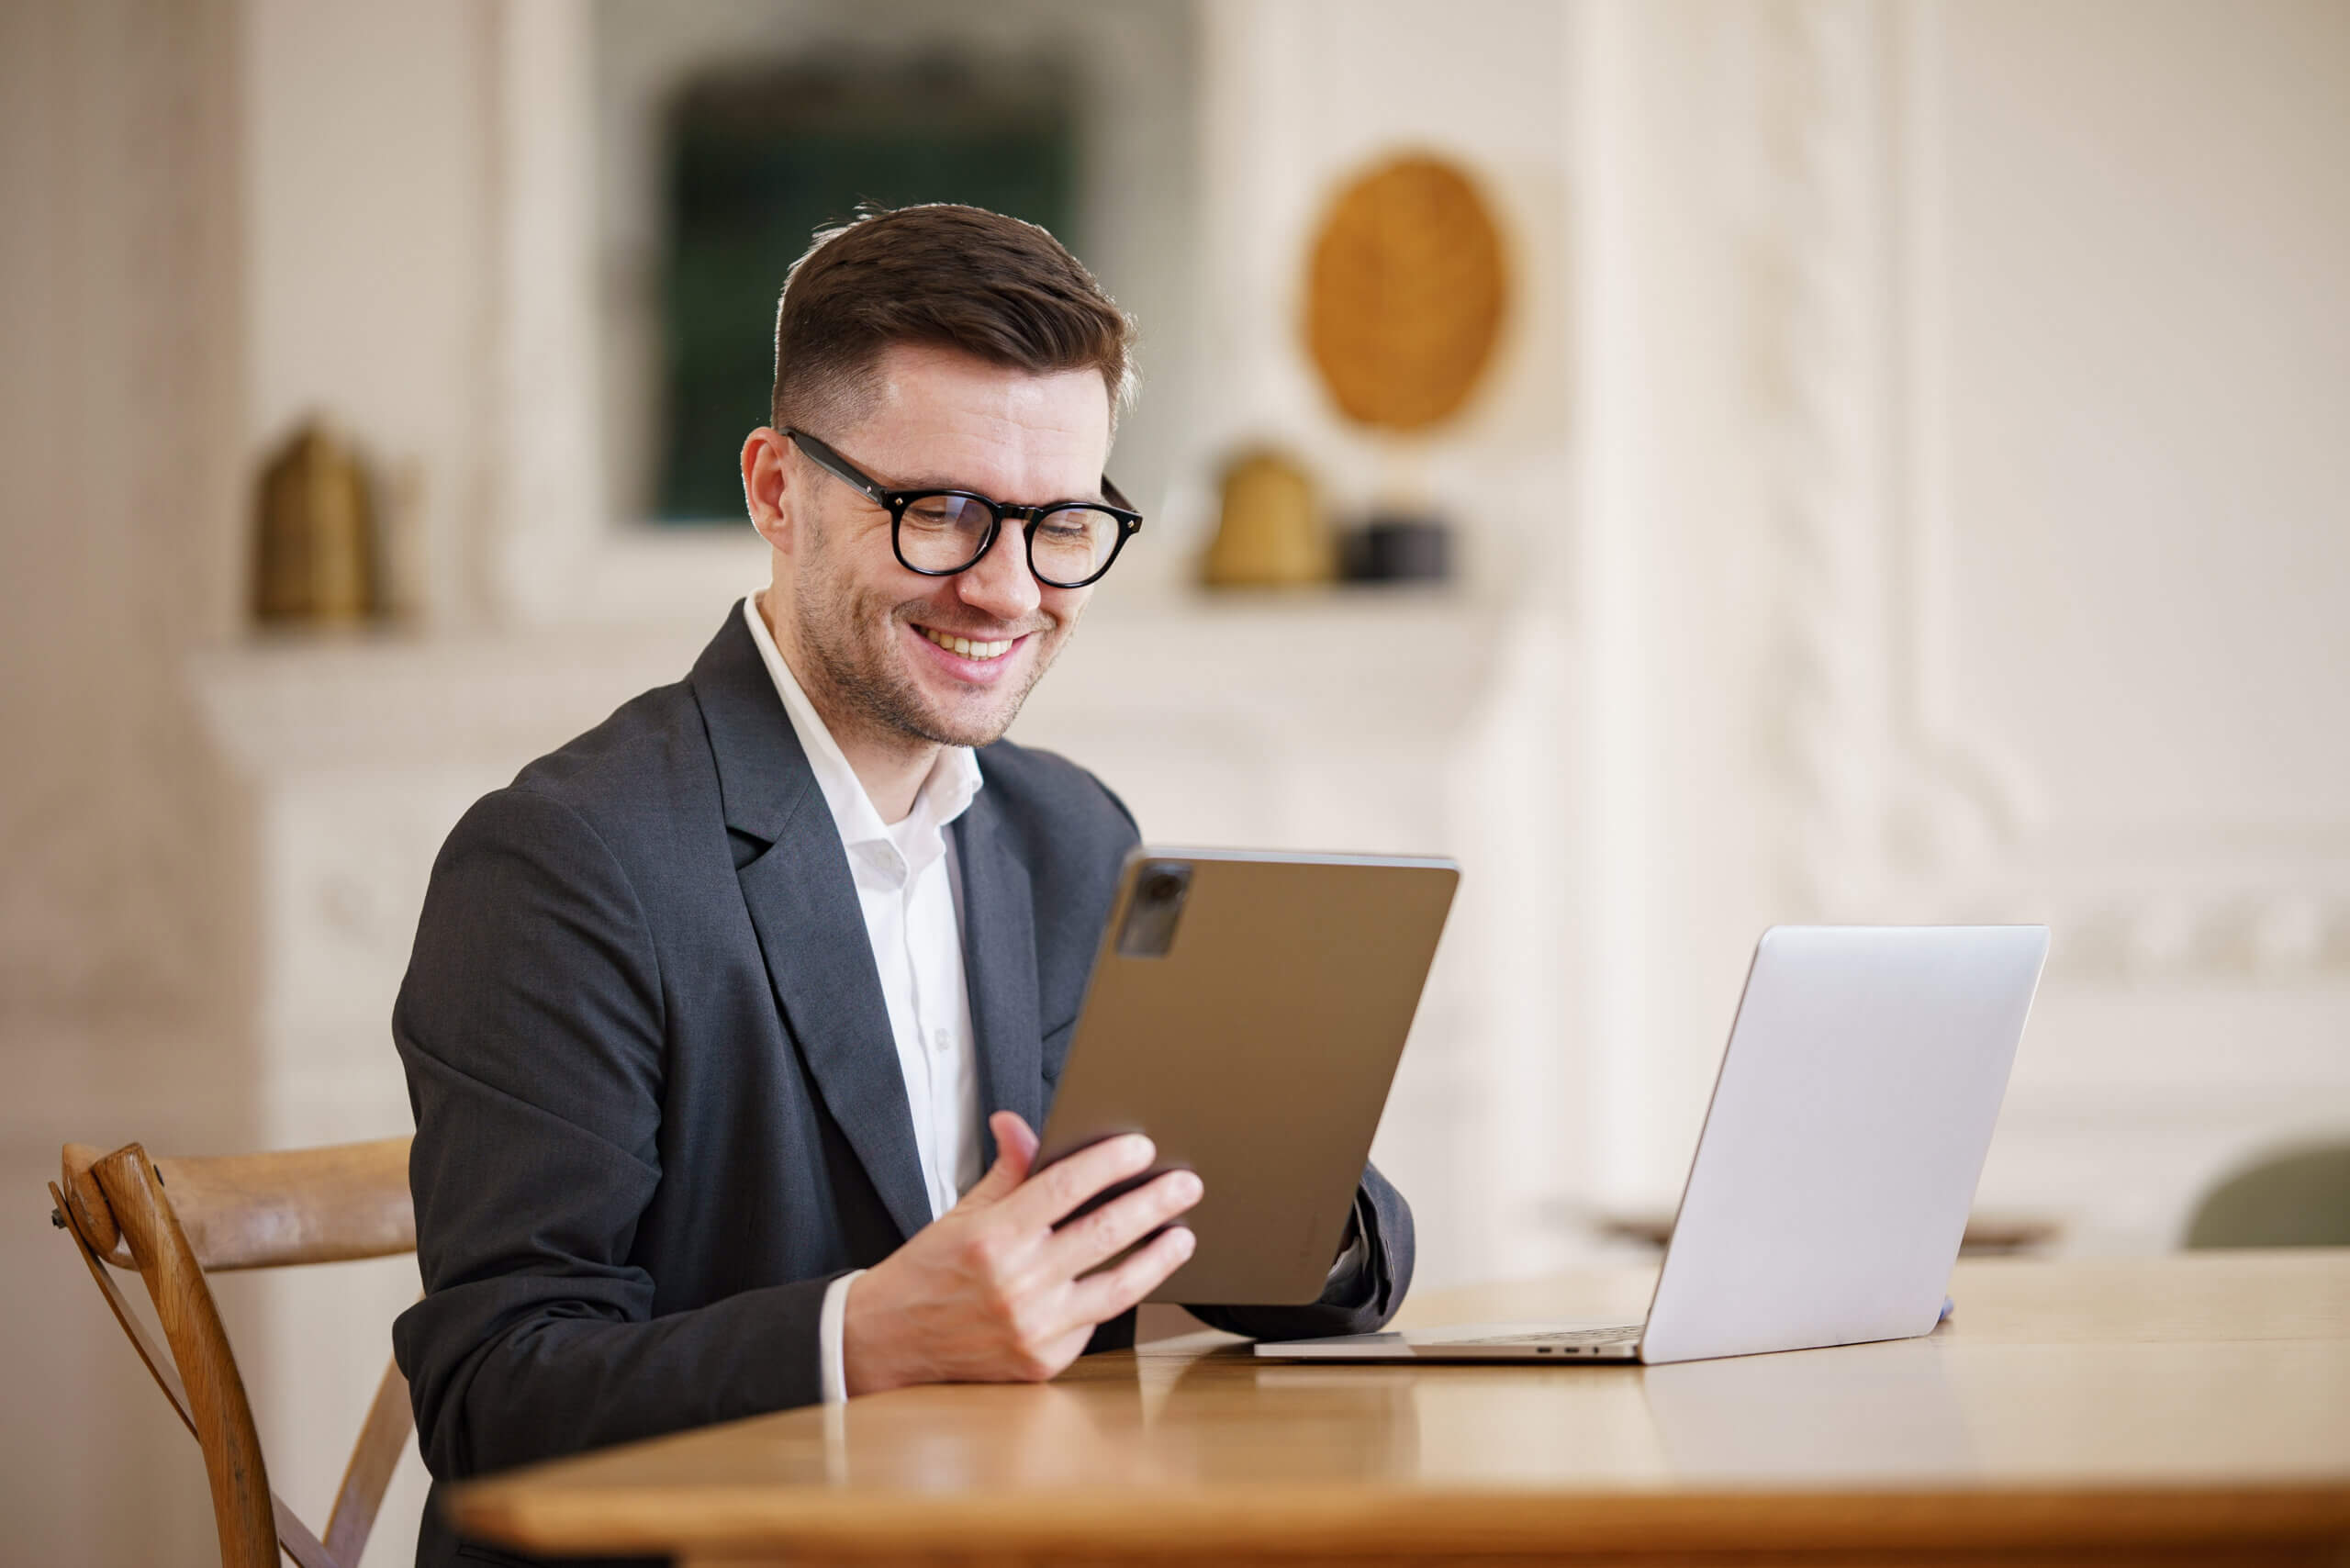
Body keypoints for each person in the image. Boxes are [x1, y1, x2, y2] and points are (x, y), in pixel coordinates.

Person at [392, 204, 1414, 1567]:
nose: (1007, 591)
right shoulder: (567, 860)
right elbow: (492, 1396)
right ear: (776, 491)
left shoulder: (1071, 835)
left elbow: (1333, 1243)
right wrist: (862, 1333)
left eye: (1061, 527)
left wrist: (1280, 1204)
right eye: (941, 514)